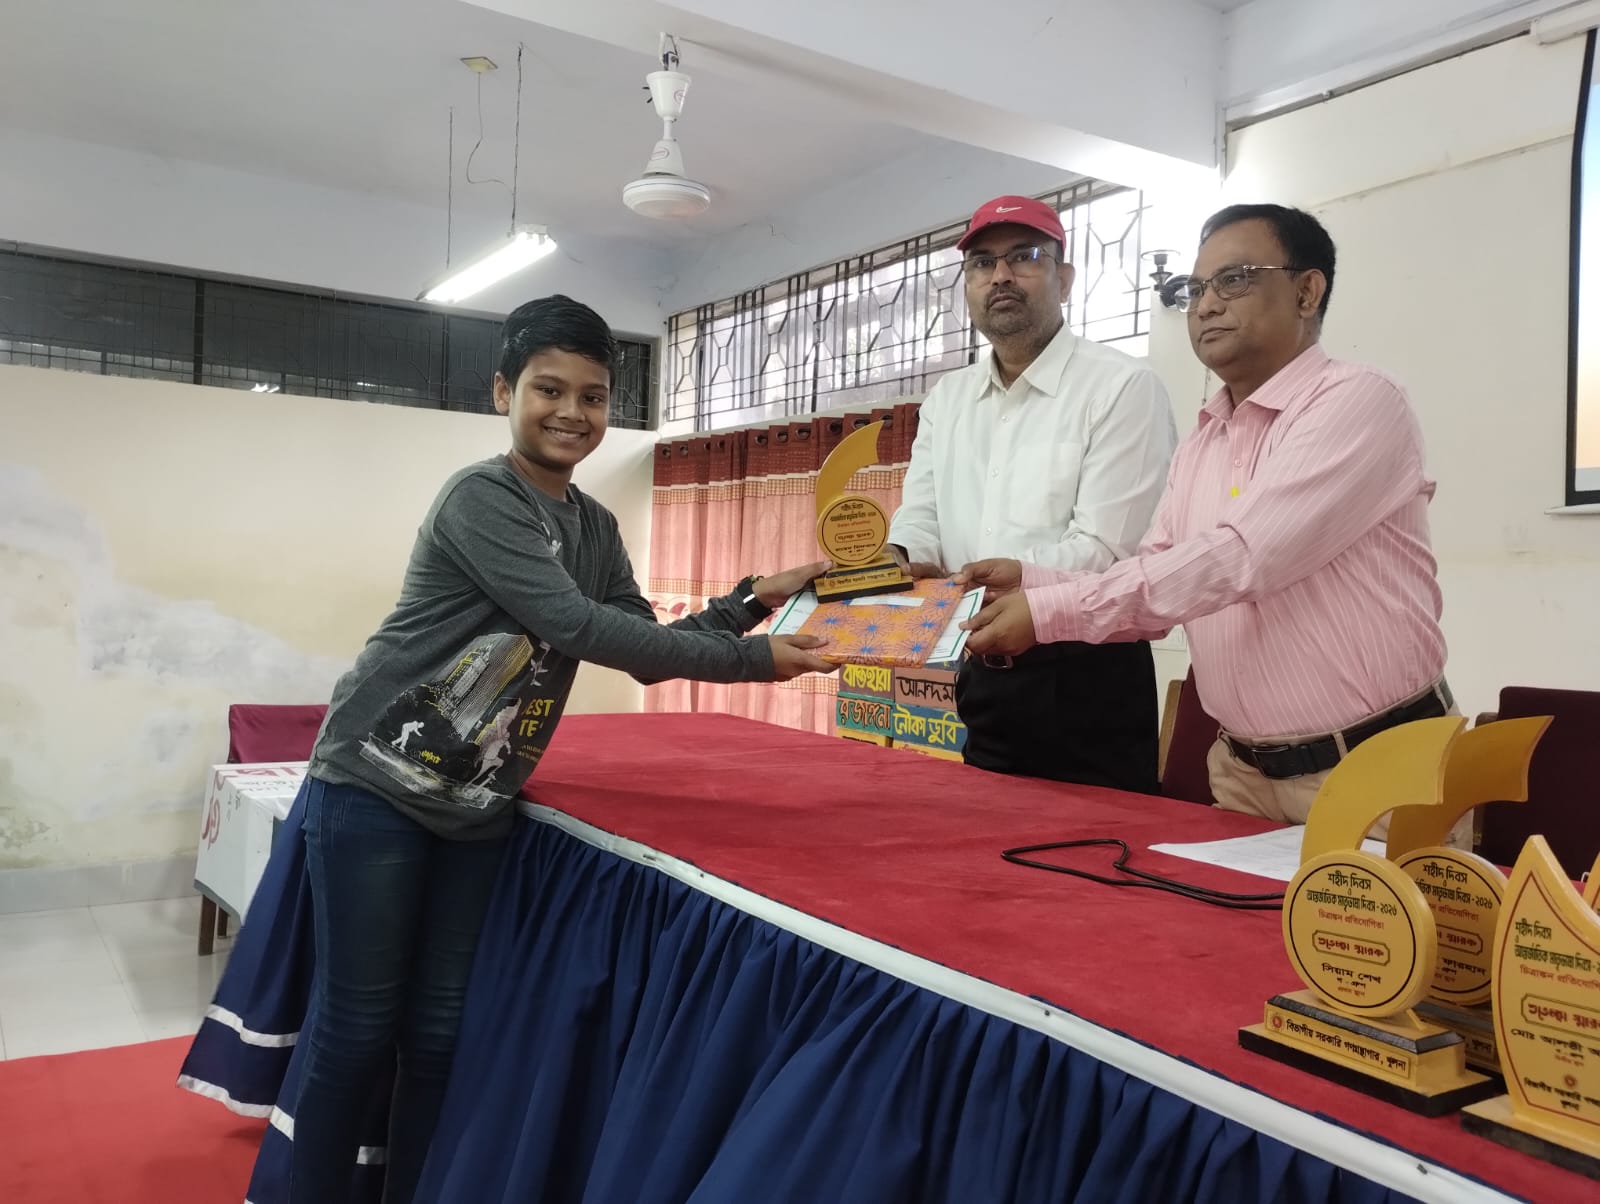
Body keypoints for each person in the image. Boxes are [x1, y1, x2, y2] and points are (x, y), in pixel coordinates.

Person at [283, 295, 834, 1203]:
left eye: (593, 395)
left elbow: (644, 647)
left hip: (476, 808)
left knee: (439, 1033)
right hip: (373, 788)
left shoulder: (594, 526)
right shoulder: (480, 498)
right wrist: (753, 661)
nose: (572, 412)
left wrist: (750, 603)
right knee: (356, 1030)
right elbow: (579, 626)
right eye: (549, 389)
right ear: (504, 391)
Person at [959, 204, 1465, 842]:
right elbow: (1155, 585)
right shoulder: (1204, 441)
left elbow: (1242, 557)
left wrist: (1048, 612)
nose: (1206, 306)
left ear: (1307, 291)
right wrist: (1030, 579)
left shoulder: (1359, 401)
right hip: (1242, 773)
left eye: (1235, 280)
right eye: (1196, 288)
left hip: (1375, 767)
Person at [888, 194, 1177, 793]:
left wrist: (1011, 578)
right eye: (982, 263)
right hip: (983, 668)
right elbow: (921, 516)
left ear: (1064, 279)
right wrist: (893, 560)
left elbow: (1111, 552)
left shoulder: (1122, 387)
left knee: (1098, 846)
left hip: (1087, 674)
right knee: (981, 837)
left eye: (1024, 256)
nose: (1000, 276)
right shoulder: (947, 399)